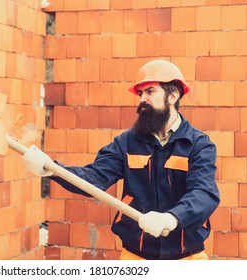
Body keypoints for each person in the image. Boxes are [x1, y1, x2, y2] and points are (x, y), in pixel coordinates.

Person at [23, 59, 220, 260]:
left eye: (150, 91)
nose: (143, 99)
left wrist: (172, 218)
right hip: (136, 257)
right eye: (140, 94)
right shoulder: (127, 142)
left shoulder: (197, 144)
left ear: (173, 96)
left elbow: (204, 194)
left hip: (187, 257)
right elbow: (94, 178)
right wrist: (50, 168)